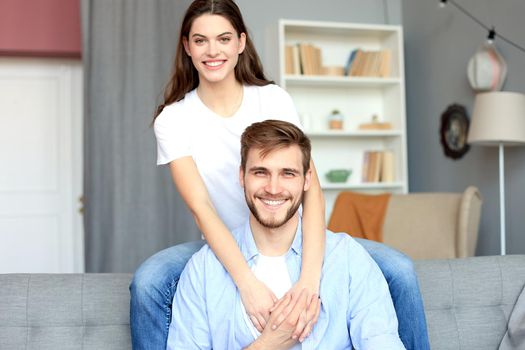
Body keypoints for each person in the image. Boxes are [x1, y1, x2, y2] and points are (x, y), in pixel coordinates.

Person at [130, 0, 430, 349]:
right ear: (187, 46)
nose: (213, 51)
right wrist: (246, 282)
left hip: (293, 236)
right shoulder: (174, 119)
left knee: (401, 270)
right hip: (226, 240)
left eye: (224, 39)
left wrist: (309, 279)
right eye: (200, 40)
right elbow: (202, 208)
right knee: (149, 280)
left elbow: (310, 188)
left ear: (241, 43)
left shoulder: (271, 98)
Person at [167, 120, 406, 349]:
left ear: (307, 180)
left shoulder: (348, 259)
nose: (273, 188)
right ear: (242, 176)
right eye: (260, 172)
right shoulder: (204, 270)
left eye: (288, 173)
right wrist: (267, 345)